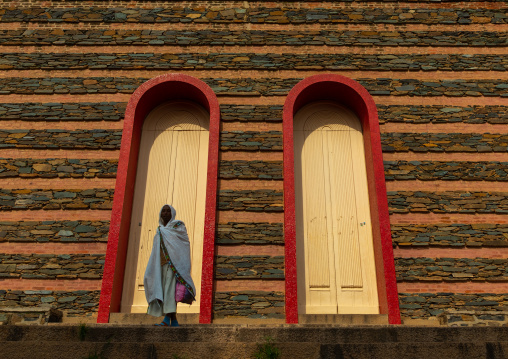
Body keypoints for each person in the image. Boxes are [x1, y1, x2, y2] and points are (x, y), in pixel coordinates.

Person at [144, 204, 196, 327]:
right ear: (160, 214)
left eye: (168, 211)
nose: (166, 213)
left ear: (172, 213)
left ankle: (166, 319)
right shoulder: (159, 230)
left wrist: (180, 264)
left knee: (169, 291)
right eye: (163, 211)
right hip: (160, 266)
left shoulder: (179, 226)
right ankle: (175, 321)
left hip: (174, 266)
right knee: (165, 290)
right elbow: (155, 251)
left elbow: (183, 245)